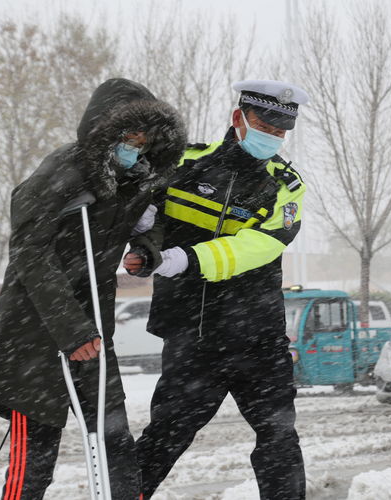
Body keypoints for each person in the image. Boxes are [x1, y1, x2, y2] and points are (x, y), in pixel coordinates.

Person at [0, 78, 187, 500]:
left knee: (116, 442)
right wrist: (72, 332)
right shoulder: (60, 173)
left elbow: (152, 220)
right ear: (105, 130)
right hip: (37, 334)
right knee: (35, 460)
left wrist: (145, 248)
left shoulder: (137, 178)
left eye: (145, 139)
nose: (136, 146)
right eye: (129, 136)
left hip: (95, 329)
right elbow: (30, 254)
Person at [124, 80, 309, 500]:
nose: (272, 137)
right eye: (264, 125)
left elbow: (260, 245)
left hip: (258, 340)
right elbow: (147, 218)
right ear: (238, 119)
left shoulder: (286, 185)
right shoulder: (184, 164)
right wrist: (144, 244)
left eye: (280, 132)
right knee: (164, 438)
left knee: (278, 439)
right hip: (192, 338)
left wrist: (183, 259)